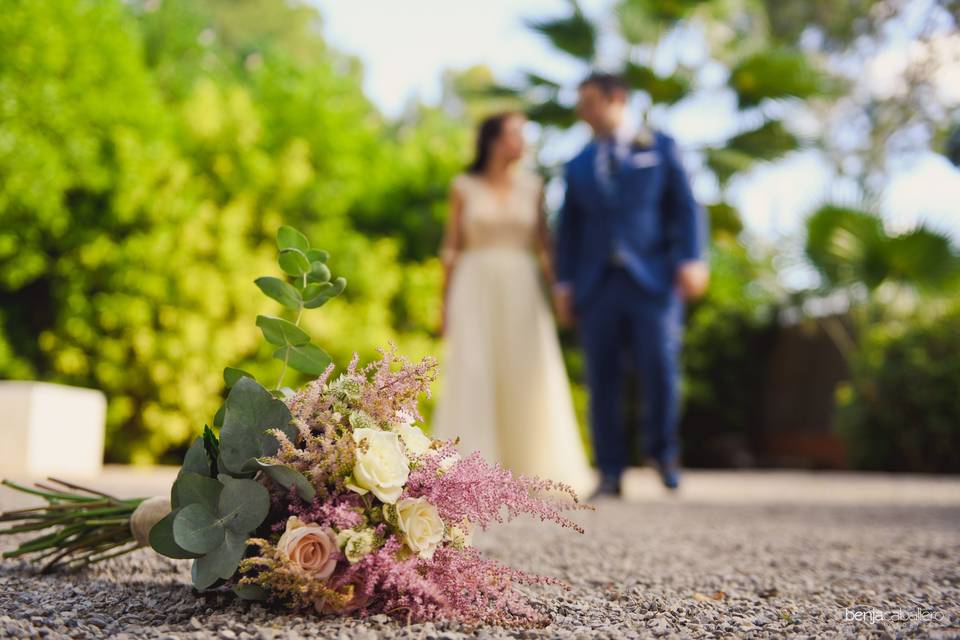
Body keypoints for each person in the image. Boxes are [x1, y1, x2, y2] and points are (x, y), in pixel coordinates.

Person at [553, 72, 709, 497]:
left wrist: (692, 259)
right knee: (602, 377)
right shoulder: (578, 163)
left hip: (653, 280)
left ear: (616, 98)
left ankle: (663, 453)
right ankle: (610, 470)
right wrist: (563, 284)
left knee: (660, 367)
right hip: (596, 284)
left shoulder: (660, 147)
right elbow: (568, 229)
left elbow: (686, 207)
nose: (582, 111)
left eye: (589, 101)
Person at [432, 111, 594, 496]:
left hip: (523, 288)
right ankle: (471, 473)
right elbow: (451, 249)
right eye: (515, 134)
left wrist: (560, 293)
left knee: (528, 368)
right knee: (474, 368)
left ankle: (534, 469)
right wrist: (442, 303)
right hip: (473, 286)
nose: (522, 142)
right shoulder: (463, 186)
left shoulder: (534, 186)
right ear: (492, 140)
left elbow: (545, 247)